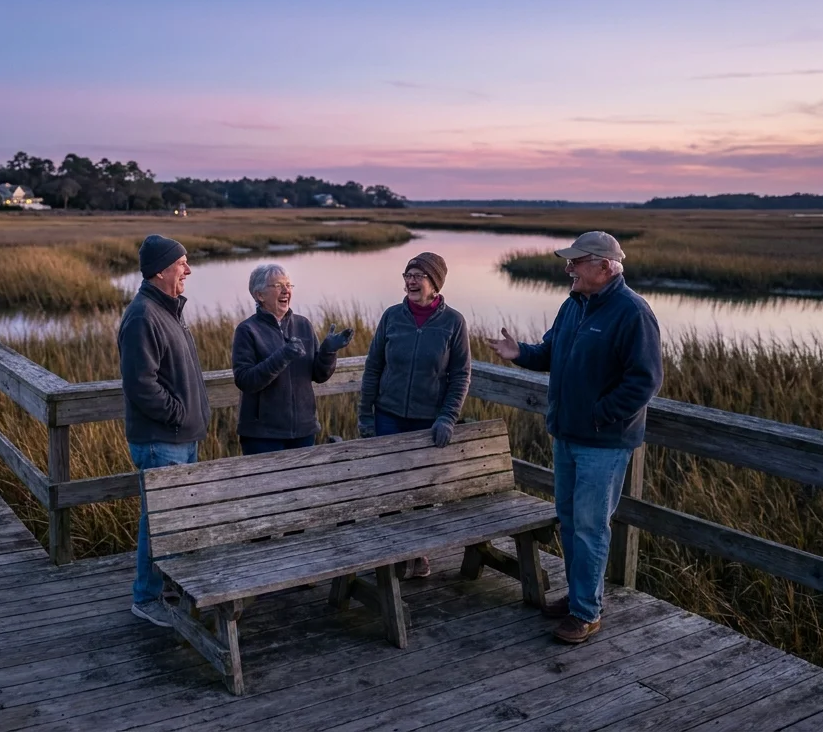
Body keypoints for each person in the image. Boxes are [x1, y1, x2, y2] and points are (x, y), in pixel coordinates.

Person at [485, 231, 661, 645]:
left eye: (576, 262)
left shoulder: (632, 312)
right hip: (565, 435)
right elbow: (550, 352)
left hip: (603, 442)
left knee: (591, 527)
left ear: (605, 267)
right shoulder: (573, 305)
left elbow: (645, 381)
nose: (568, 269)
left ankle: (586, 612)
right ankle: (580, 595)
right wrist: (520, 354)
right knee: (569, 521)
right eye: (569, 262)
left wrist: (599, 415)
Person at [357, 252, 472, 579]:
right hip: (388, 415)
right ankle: (391, 554)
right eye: (407, 274)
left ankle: (418, 553)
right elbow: (373, 368)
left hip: (427, 420)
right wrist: (366, 415)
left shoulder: (454, 323)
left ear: (435, 283)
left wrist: (448, 417)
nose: (410, 280)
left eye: (418, 275)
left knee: (421, 491)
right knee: (388, 488)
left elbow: (461, 375)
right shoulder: (392, 317)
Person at [118, 234, 210, 628]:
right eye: (182, 263)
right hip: (161, 441)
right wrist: (177, 413)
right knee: (157, 522)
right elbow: (141, 384)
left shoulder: (168, 309)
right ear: (160, 269)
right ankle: (147, 597)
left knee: (173, 520)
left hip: (180, 438)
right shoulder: (143, 315)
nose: (188, 269)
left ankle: (167, 586)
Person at [231, 264, 354, 455]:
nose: (286, 290)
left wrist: (328, 351)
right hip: (263, 436)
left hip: (304, 431)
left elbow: (318, 375)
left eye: (289, 285)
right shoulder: (247, 330)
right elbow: (245, 380)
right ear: (259, 295)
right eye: (278, 285)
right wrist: (283, 355)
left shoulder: (303, 324)